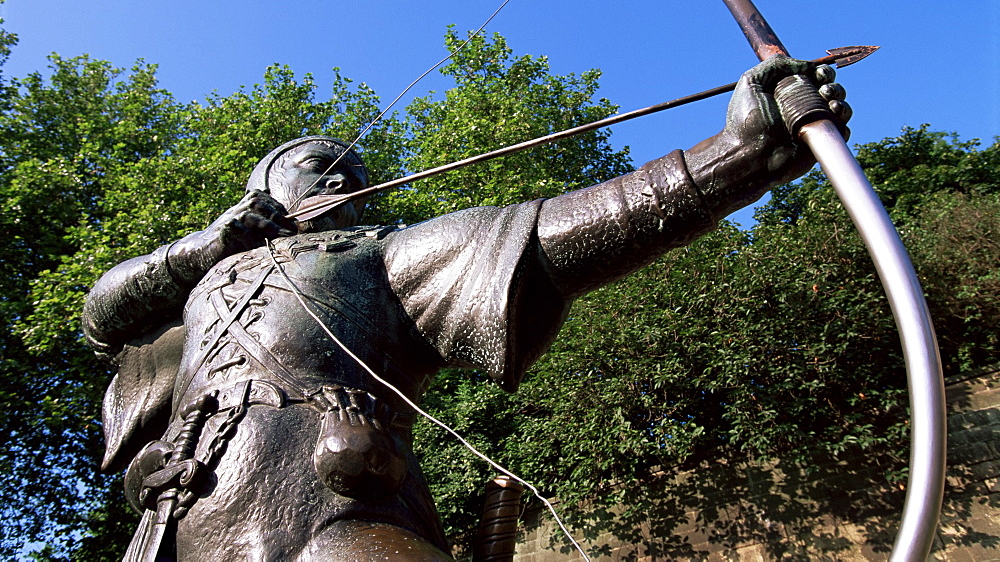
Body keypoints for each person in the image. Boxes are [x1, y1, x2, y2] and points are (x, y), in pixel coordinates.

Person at [83, 57, 850, 561]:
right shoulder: (198, 279)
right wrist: (206, 244)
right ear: (267, 190)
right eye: (318, 168)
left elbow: (554, 233)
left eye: (355, 175)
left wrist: (736, 159)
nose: (343, 179)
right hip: (181, 518)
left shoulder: (375, 255)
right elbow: (102, 315)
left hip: (336, 503)